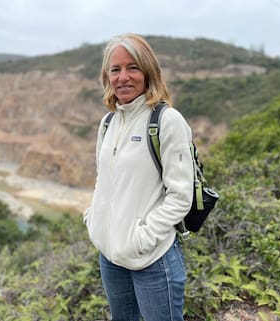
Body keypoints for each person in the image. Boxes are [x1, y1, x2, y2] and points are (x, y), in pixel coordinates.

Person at [83, 33, 194, 321]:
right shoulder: (108, 123)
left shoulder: (167, 121)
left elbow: (181, 196)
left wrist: (141, 239)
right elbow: (102, 179)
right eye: (115, 69)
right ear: (107, 76)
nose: (123, 77)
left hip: (152, 260)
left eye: (132, 67)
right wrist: (94, 220)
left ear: (148, 72)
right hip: (111, 258)